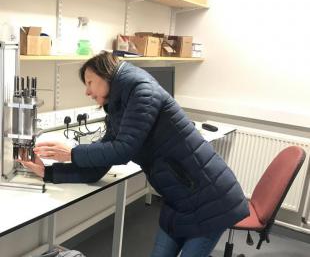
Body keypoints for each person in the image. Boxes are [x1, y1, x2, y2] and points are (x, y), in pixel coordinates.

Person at [19, 52, 249, 257]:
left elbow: (123, 150)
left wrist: (72, 152)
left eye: (90, 82)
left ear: (106, 74)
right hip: (179, 198)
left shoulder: (142, 91)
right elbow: (103, 162)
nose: (87, 91)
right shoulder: (120, 105)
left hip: (210, 201)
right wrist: (48, 172)